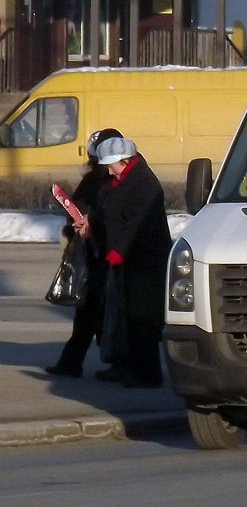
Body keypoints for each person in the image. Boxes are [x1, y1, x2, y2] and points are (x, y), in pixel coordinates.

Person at [74, 137, 172, 388]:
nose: (107, 170)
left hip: (145, 263)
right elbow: (110, 211)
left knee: (142, 319)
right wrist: (90, 222)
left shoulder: (143, 182)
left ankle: (148, 375)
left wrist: (119, 249)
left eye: (111, 165)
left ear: (125, 161)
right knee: (129, 318)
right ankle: (133, 370)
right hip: (128, 261)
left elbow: (138, 222)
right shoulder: (123, 180)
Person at [46, 128, 124, 378]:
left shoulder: (99, 180)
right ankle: (111, 362)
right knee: (98, 311)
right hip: (102, 252)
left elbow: (80, 211)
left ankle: (76, 362)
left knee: (92, 311)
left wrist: (76, 227)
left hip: (98, 254)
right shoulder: (114, 179)